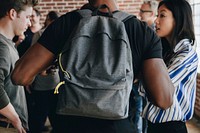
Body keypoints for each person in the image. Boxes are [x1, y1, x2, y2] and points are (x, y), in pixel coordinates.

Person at [11, 0, 174, 133]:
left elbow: (20, 76)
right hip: (118, 125)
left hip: (69, 125)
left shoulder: (67, 23)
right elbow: (164, 100)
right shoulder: (141, 31)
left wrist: (50, 65)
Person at [140, 0, 198, 133]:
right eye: (157, 15)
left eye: (162, 15)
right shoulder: (165, 50)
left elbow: (158, 90)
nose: (156, 21)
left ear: (178, 19)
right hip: (152, 124)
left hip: (171, 127)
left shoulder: (186, 55)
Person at [0, 0, 38, 132]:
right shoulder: (2, 47)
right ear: (12, 13)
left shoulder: (9, 44)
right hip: (8, 127)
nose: (29, 23)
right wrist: (15, 118)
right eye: (27, 17)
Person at [30, 11, 60, 133]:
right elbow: (32, 58)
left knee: (49, 115)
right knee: (43, 115)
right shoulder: (40, 34)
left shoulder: (43, 34)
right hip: (45, 81)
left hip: (52, 81)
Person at [131, 1, 159, 133]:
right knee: (137, 113)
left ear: (152, 14)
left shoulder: (157, 34)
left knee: (144, 114)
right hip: (137, 82)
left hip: (148, 83)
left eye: (142, 11)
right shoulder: (140, 31)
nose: (139, 14)